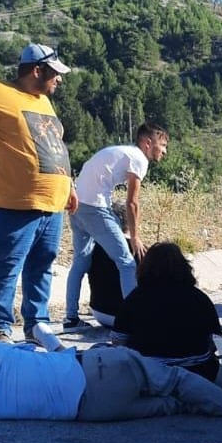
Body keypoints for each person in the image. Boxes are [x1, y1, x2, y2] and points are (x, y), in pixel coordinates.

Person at [0, 43, 77, 343]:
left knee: (42, 265)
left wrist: (69, 186)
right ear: (37, 70)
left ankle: (36, 324)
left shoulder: (44, 102)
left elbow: (53, 146)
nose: (59, 79)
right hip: (12, 203)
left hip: (52, 203)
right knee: (7, 265)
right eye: (55, 73)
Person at [0, 334, 222, 421]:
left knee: (176, 406)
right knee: (174, 380)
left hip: (93, 411)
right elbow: (36, 349)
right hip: (95, 369)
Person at [62, 124, 169, 330]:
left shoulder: (123, 152)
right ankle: (133, 321)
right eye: (162, 145)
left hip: (77, 204)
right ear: (148, 143)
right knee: (127, 263)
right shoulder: (139, 158)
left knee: (80, 263)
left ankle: (71, 318)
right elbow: (132, 203)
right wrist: (136, 237)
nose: (164, 151)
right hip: (95, 207)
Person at [112, 242, 222, 382]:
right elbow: (215, 341)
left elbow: (118, 340)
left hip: (148, 375)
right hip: (198, 373)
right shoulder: (199, 298)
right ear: (184, 266)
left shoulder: (135, 299)